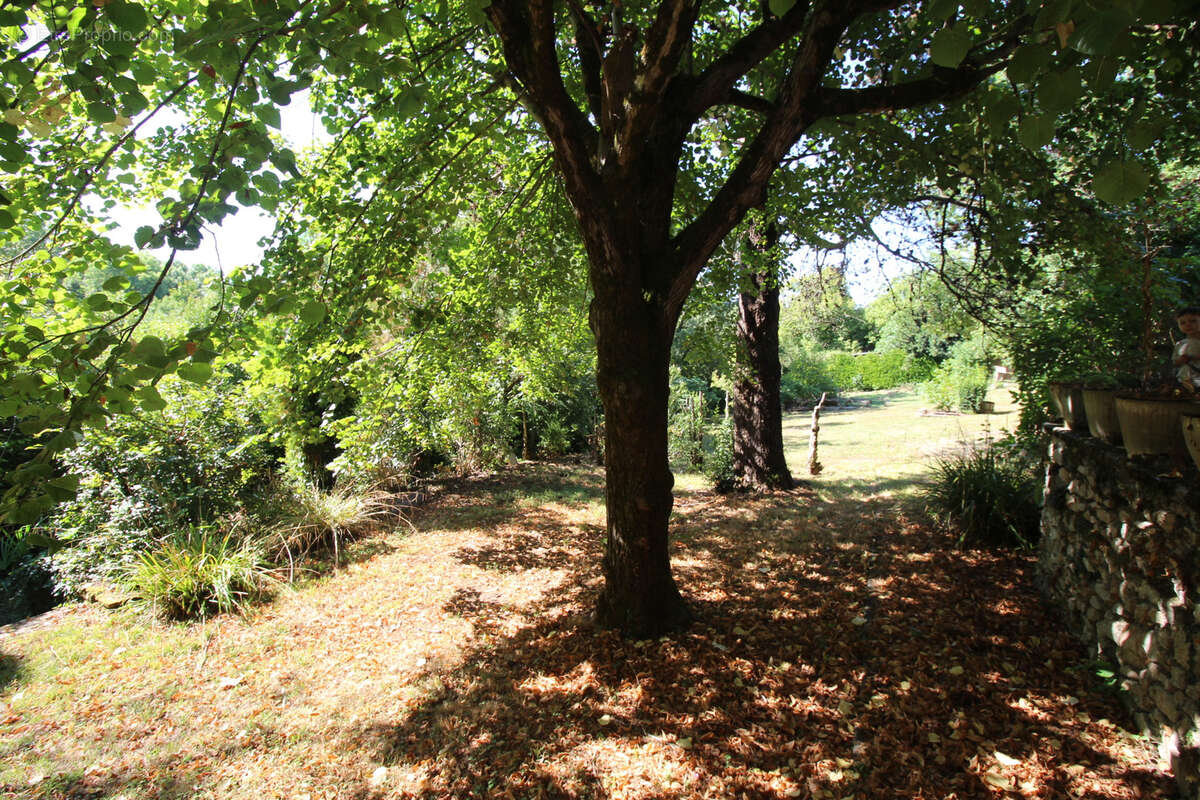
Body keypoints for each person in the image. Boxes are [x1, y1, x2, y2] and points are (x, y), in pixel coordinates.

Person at [1173, 306, 1200, 392]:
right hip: (1187, 374)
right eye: (1182, 323)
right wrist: (1181, 360)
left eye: (1193, 321)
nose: (1188, 324)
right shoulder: (1180, 344)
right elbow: (1175, 361)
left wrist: (1194, 357)